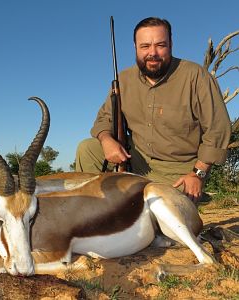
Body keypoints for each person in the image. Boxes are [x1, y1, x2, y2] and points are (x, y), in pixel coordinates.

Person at [75, 17, 231, 203]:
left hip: (178, 172)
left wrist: (197, 174)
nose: (153, 53)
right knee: (87, 148)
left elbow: (218, 129)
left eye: (160, 45)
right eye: (145, 46)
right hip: (135, 160)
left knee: (163, 222)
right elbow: (104, 118)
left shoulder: (196, 76)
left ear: (171, 44)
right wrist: (106, 139)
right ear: (135, 47)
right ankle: (94, 211)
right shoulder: (123, 79)